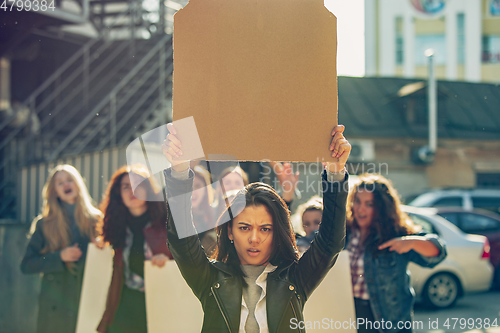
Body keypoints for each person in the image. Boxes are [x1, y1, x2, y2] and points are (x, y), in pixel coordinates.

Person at [161, 122, 351, 333]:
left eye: (265, 229)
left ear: (277, 234)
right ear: (230, 232)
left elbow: (330, 244)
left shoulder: (295, 279)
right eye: (244, 227)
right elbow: (181, 240)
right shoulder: (210, 278)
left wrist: (336, 173)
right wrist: (179, 171)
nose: (254, 238)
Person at [346, 173, 447, 333]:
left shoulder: (396, 234)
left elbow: (438, 252)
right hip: (348, 316)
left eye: (369, 204)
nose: (360, 208)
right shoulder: (345, 232)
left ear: (381, 207)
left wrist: (411, 242)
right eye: (357, 201)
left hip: (388, 322)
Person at [20, 164, 102, 333]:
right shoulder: (44, 224)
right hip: (56, 305)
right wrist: (59, 257)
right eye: (60, 182)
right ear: (54, 191)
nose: (66, 184)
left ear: (78, 184)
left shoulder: (97, 220)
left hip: (87, 299)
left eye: (69, 180)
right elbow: (27, 264)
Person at [97, 165, 173, 333]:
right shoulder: (117, 229)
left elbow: (186, 259)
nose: (132, 190)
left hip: (161, 305)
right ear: (119, 194)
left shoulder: (167, 223)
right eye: (126, 186)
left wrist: (169, 261)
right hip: (125, 306)